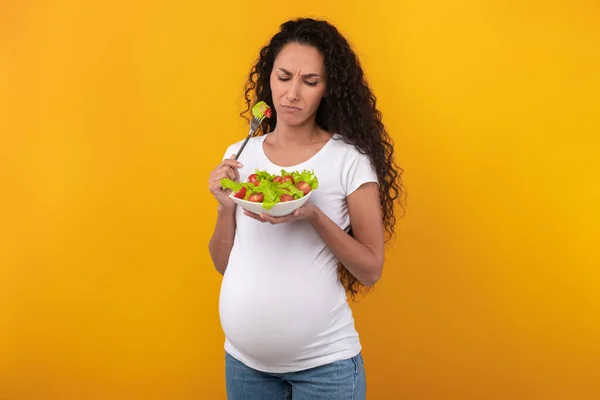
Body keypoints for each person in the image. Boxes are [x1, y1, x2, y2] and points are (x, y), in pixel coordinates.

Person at [208, 17, 405, 400]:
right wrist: (223, 208)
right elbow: (221, 263)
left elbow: (370, 270)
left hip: (325, 369)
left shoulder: (349, 161)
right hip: (245, 365)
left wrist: (313, 214)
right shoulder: (239, 155)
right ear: (269, 79)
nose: (292, 94)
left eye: (309, 82)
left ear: (327, 90)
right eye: (284, 77)